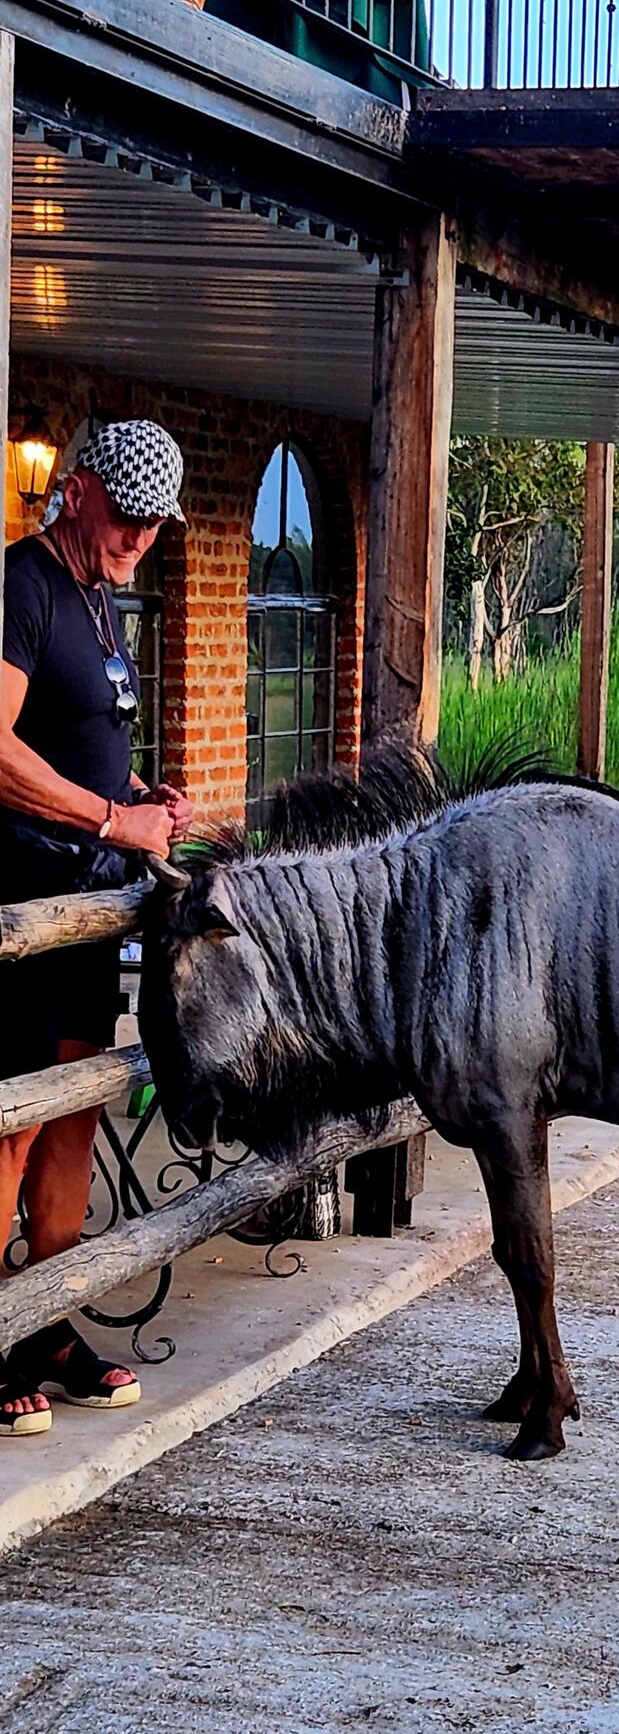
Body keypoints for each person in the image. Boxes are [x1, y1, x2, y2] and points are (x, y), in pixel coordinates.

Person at [0, 419, 194, 1436]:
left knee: (78, 1113)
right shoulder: (22, 584)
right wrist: (114, 817)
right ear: (75, 492)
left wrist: (135, 794)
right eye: (125, 518)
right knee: (14, 1125)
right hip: (18, 913)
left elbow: (73, 747)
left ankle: (43, 1324)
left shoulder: (98, 595)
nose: (137, 541)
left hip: (81, 910)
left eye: (153, 526)